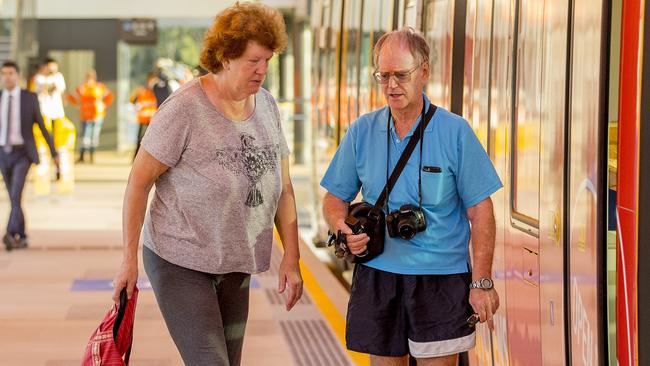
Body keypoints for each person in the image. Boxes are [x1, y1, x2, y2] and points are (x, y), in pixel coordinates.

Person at [111, 3, 303, 365]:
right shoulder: (183, 109)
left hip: (235, 260)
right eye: (253, 61)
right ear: (226, 57)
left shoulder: (266, 106)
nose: (263, 70)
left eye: (268, 60)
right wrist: (128, 260)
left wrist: (291, 257)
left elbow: (285, 189)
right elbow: (138, 184)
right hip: (179, 259)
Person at [321, 27, 502, 366]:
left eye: (400, 75)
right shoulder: (362, 130)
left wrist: (482, 281)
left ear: (424, 72)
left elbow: (481, 210)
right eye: (383, 76)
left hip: (441, 279)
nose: (391, 86)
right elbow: (334, 198)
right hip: (377, 276)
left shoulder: (455, 131)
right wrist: (340, 226)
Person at [0, 61, 59, 250]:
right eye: (4, 74)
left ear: (18, 76)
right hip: (3, 152)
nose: (7, 77)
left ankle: (10, 233)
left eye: (11, 73)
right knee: (14, 197)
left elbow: (42, 126)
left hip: (23, 153)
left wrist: (54, 152)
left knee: (16, 192)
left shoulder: (29, 97)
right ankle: (22, 235)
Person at [67, 69, 114, 163]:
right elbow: (71, 96)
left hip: (97, 115)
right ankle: (82, 156)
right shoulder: (82, 88)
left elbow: (109, 96)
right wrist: (77, 104)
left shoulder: (99, 87)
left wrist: (104, 105)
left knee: (94, 136)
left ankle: (92, 156)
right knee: (85, 136)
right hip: (85, 115)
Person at [34, 58, 66, 141]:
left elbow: (61, 90)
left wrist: (64, 100)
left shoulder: (59, 76)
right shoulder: (39, 77)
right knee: (45, 130)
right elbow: (42, 90)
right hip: (44, 109)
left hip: (57, 108)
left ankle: (58, 149)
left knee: (59, 130)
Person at [129, 72, 158, 160]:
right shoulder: (142, 90)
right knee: (140, 139)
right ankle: (136, 158)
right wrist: (136, 93)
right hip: (143, 119)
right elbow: (132, 100)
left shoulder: (157, 91)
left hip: (153, 120)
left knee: (152, 141)